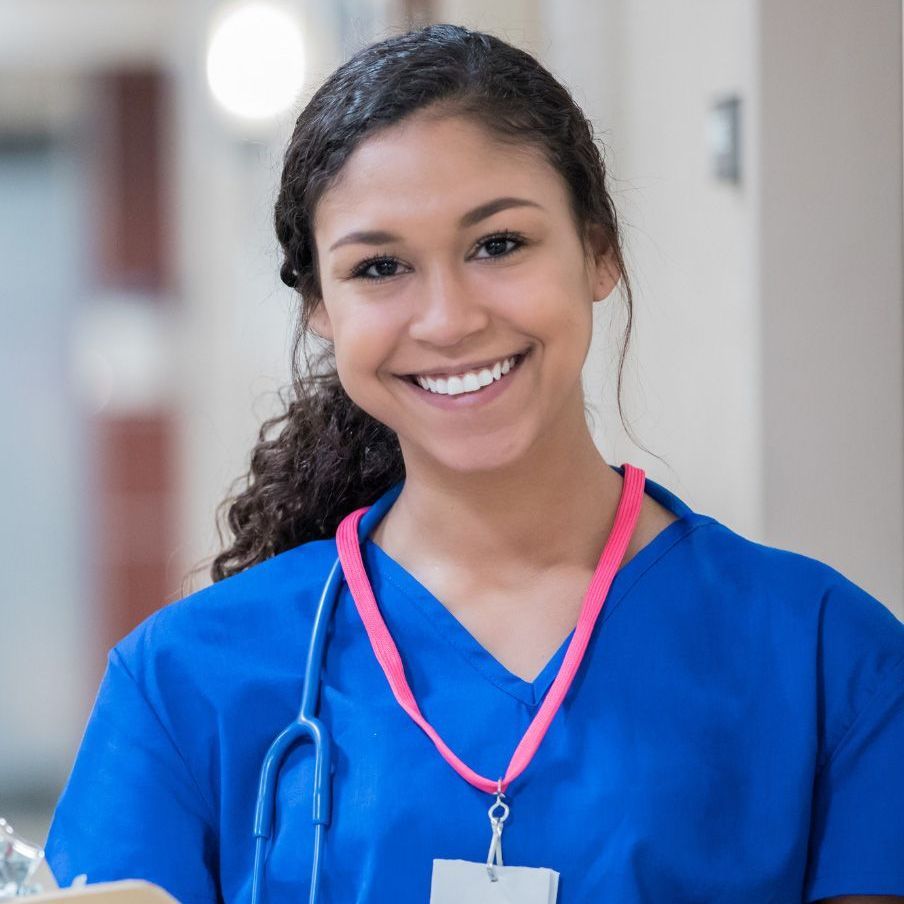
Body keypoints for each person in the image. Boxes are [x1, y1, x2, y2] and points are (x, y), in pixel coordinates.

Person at [45, 23, 904, 904]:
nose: (448, 319)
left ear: (598, 251)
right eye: (380, 267)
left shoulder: (834, 664)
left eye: (499, 245)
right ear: (320, 311)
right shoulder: (184, 683)